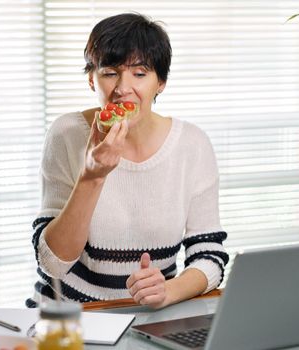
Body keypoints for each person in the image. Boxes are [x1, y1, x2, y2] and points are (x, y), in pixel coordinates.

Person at [27, 13, 228, 309]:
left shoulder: (192, 145)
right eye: (110, 72)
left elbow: (210, 255)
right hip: (70, 317)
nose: (123, 88)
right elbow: (52, 265)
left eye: (140, 72)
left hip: (154, 316)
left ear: (161, 82)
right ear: (91, 79)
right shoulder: (67, 134)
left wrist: (168, 291)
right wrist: (92, 177)